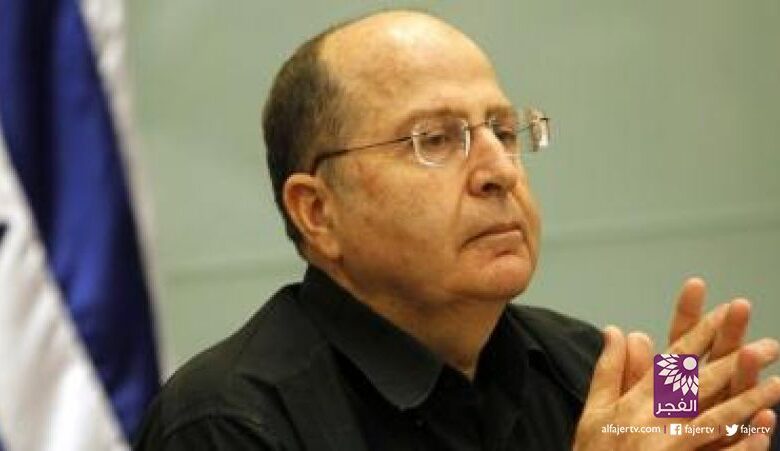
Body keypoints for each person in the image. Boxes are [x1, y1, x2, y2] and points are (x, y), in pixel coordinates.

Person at [134, 10, 780, 450]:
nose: (500, 170)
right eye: (435, 139)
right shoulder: (225, 422)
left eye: (502, 130)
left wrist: (711, 428)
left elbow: (683, 421)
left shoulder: (586, 363)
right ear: (317, 212)